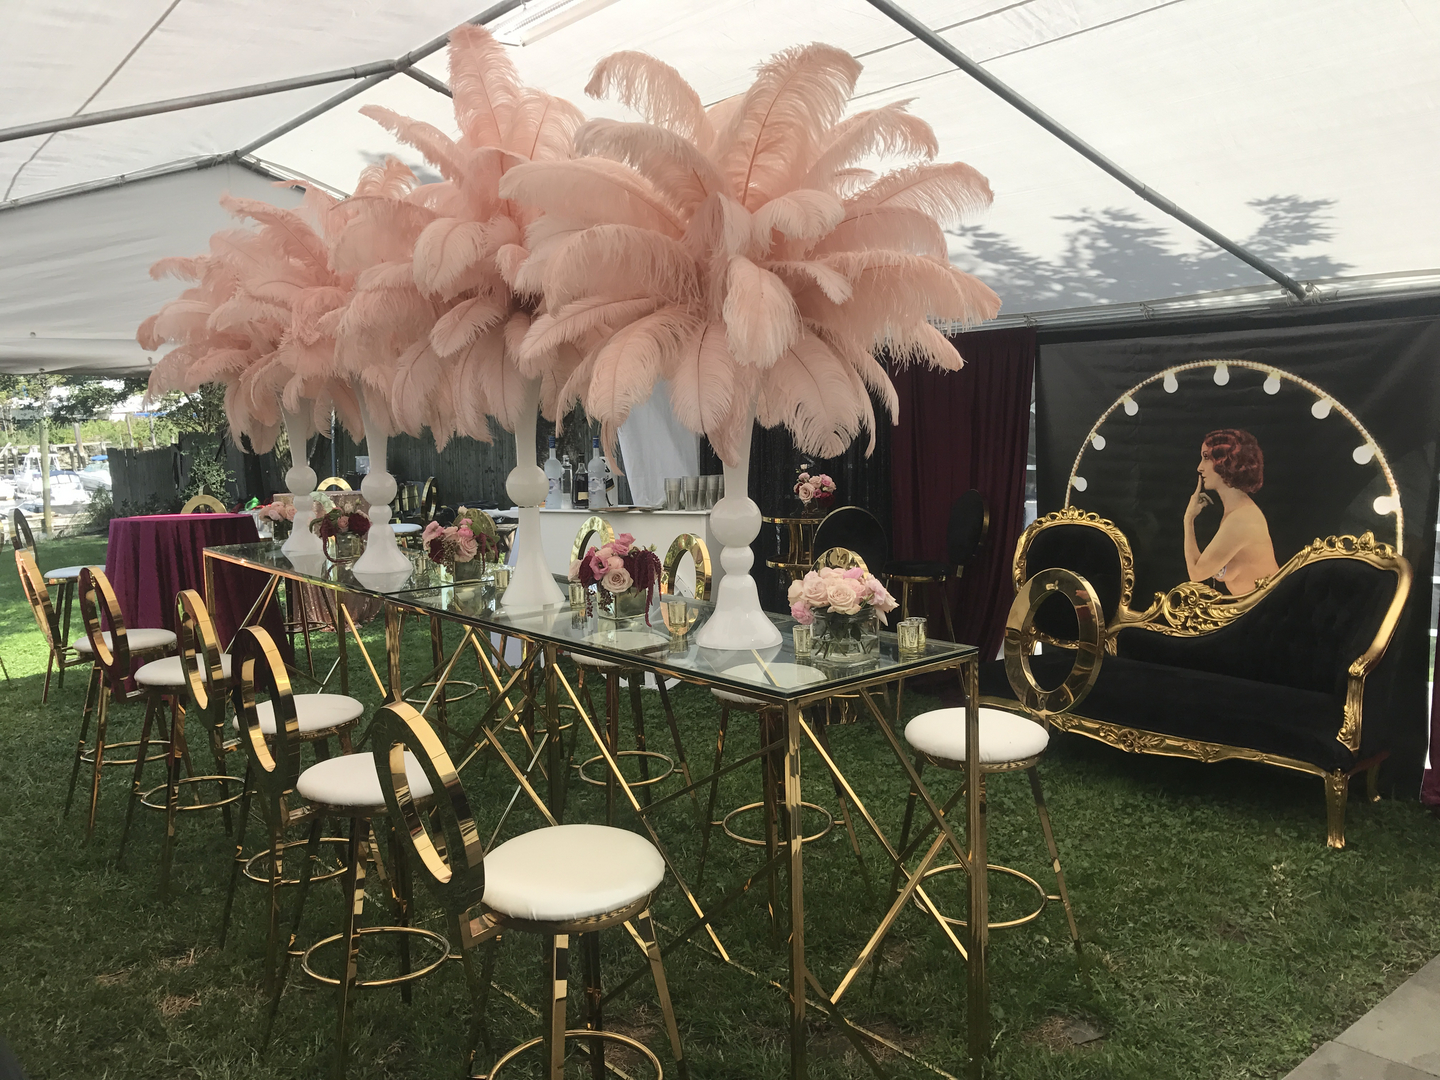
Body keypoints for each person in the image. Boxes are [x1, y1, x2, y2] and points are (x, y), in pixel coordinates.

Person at [1183, 429, 1279, 596]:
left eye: (1206, 458)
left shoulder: (1241, 519)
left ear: (1225, 462)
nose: (1199, 468)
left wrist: (1188, 519)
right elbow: (1231, 569)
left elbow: (1196, 574)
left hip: (1266, 610)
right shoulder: (1238, 510)